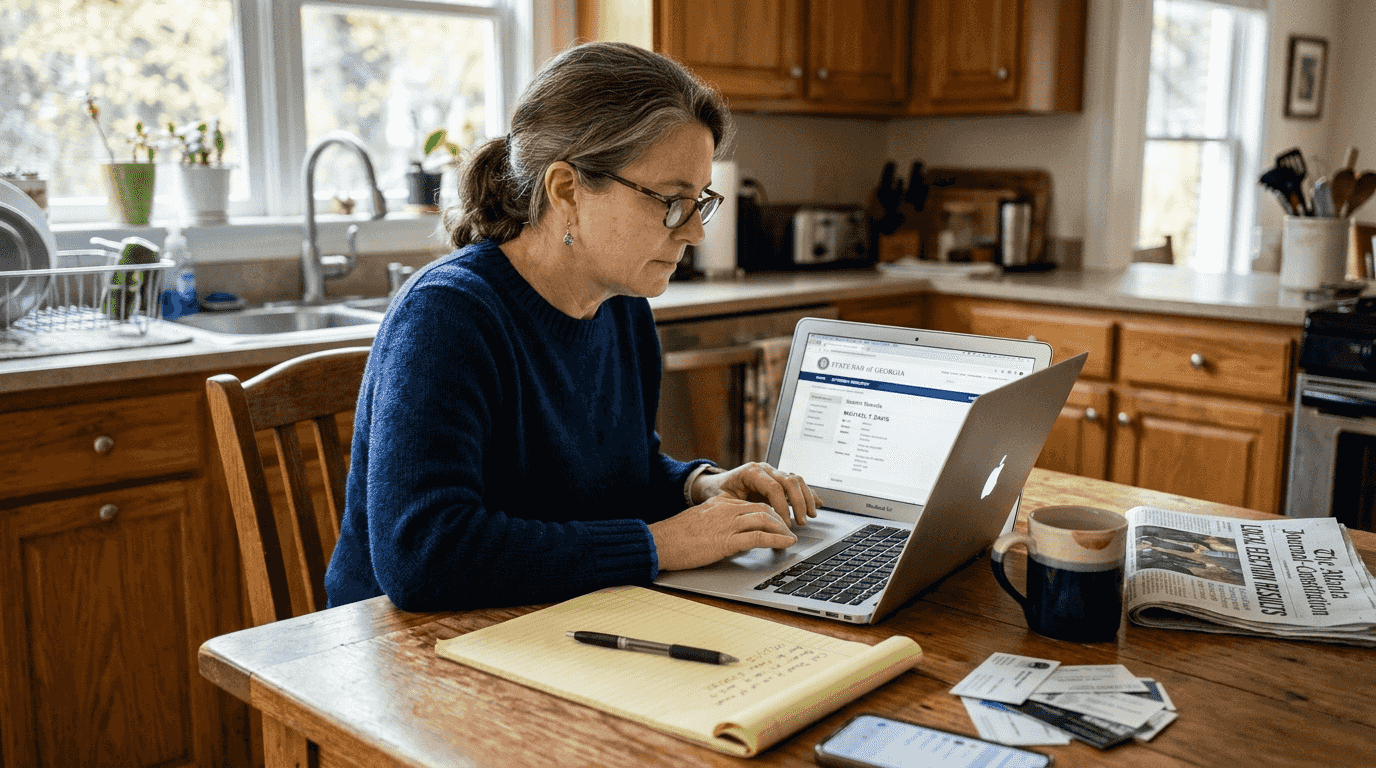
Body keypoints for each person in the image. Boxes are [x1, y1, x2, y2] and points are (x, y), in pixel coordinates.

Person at [325, 42, 820, 611]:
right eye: (671, 201)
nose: (694, 233)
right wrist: (658, 543)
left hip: (552, 616)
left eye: (699, 201)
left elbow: (617, 477)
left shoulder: (621, 305)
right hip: (406, 652)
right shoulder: (447, 316)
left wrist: (697, 487)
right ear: (566, 191)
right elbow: (424, 555)